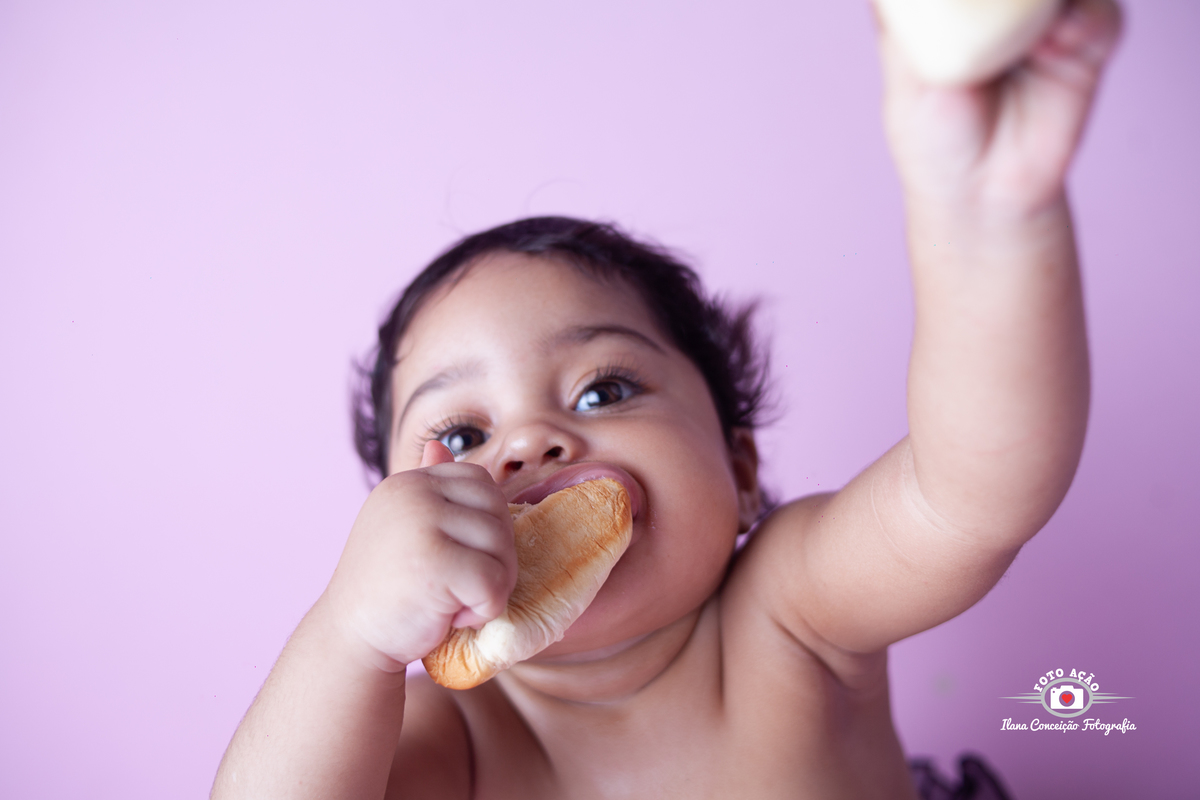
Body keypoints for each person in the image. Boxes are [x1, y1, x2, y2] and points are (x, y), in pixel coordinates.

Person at [211, 1, 1122, 797]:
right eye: (461, 437)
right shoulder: (450, 734)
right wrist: (349, 638)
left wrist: (992, 216)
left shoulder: (791, 613)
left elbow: (975, 493)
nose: (528, 443)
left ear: (739, 466)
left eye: (604, 389)